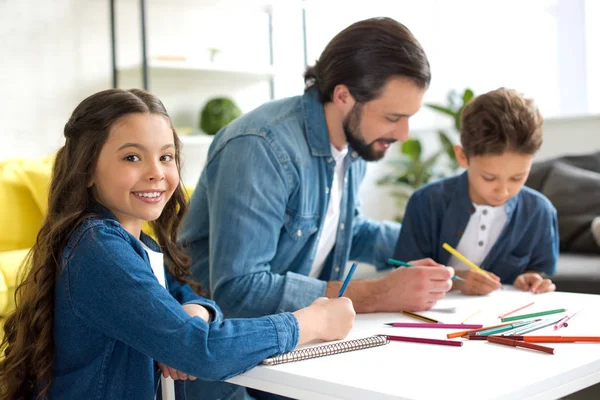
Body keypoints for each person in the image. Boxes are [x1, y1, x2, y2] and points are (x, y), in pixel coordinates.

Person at [0, 89, 355, 400]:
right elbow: (203, 352)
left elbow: (187, 297)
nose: (156, 171)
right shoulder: (100, 248)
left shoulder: (138, 243)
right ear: (87, 170)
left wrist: (194, 316)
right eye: (132, 157)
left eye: (166, 156)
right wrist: (311, 321)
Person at [180, 18, 454, 324]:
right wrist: (378, 293)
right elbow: (239, 292)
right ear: (342, 97)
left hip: (299, 336)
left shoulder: (355, 143)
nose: (403, 134)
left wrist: (442, 249)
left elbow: (345, 230)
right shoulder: (261, 147)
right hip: (223, 351)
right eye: (393, 117)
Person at [393, 88, 559, 296]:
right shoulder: (426, 202)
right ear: (462, 157)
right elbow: (404, 273)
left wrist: (532, 279)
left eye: (517, 178)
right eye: (489, 178)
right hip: (434, 317)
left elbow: (541, 271)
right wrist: (457, 280)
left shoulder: (539, 211)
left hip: (507, 321)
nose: (503, 190)